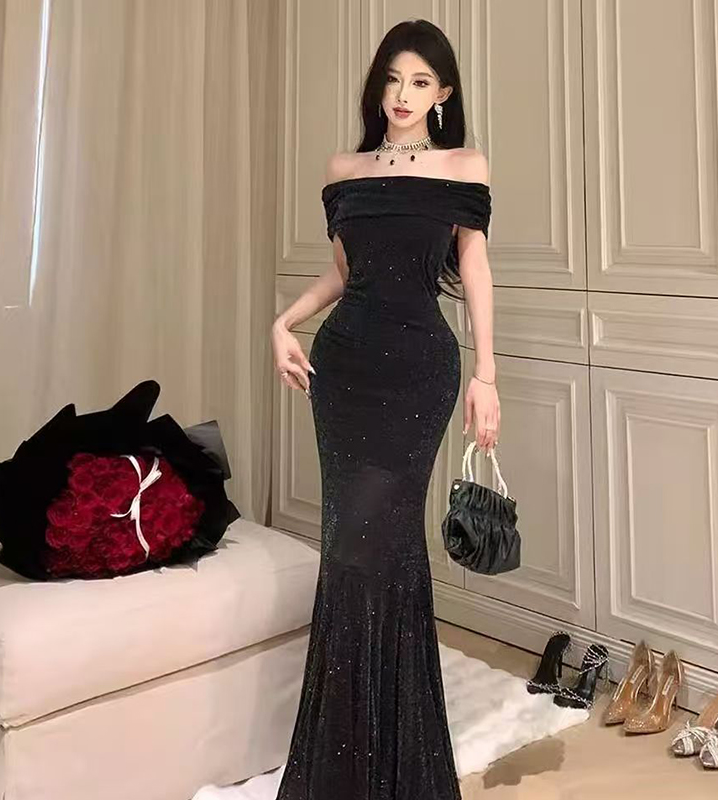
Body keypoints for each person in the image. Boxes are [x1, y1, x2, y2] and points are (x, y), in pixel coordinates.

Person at [270, 18, 499, 800]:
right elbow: (343, 273)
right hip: (345, 370)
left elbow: (475, 272)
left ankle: (393, 764)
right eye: (393, 79)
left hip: (419, 372)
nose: (403, 95)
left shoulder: (464, 167)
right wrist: (282, 322)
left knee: (377, 546)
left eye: (420, 82)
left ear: (444, 94)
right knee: (352, 549)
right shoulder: (345, 170)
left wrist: (487, 375)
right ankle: (354, 766)